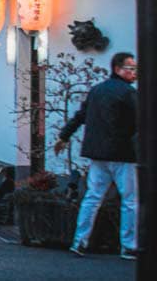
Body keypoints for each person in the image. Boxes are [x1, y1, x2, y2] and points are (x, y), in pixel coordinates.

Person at [55, 52, 138, 260]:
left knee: (93, 197)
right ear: (118, 69)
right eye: (131, 68)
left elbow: (80, 116)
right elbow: (141, 121)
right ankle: (128, 246)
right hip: (123, 153)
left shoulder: (96, 91)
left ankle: (80, 241)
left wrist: (64, 135)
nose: (134, 73)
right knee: (130, 200)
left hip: (97, 153)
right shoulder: (129, 93)